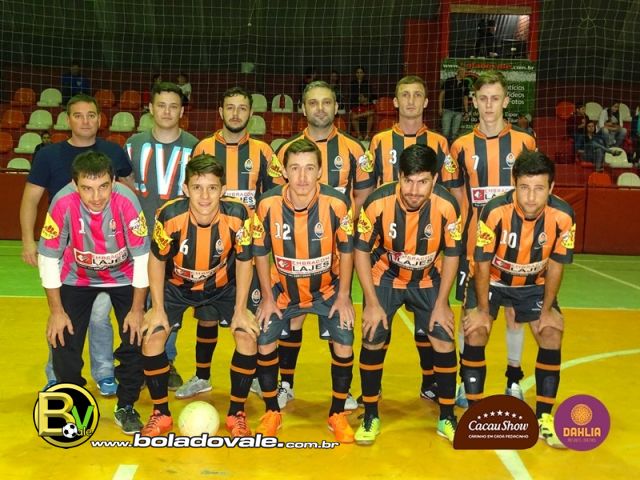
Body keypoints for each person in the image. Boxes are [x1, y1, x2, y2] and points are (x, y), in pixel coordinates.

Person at [267, 81, 374, 409]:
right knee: (294, 317)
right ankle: (286, 385)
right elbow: (277, 200)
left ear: (336, 107)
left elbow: (363, 198)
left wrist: (345, 233)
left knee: (338, 317)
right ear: (302, 108)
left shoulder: (355, 149)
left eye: (327, 102)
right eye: (313, 103)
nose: (320, 108)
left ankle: (344, 392)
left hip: (336, 251)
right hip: (294, 250)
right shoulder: (285, 150)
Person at [20, 93, 134, 395]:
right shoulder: (49, 155)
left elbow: (129, 193)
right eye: (78, 115)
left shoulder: (113, 151)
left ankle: (104, 372)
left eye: (91, 115)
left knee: (99, 315)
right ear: (67, 119)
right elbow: (30, 199)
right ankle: (58, 374)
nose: (85, 121)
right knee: (64, 315)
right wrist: (28, 241)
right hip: (64, 250)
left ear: (100, 118)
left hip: (107, 251)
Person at [462, 150, 575, 449]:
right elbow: (482, 263)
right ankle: (475, 412)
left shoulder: (564, 216)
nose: (531, 197)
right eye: (524, 187)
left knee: (551, 332)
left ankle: (544, 417)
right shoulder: (494, 211)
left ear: (551, 188)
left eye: (539, 188)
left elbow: (556, 265)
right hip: (492, 279)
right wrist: (482, 309)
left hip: (533, 283)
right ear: (514, 184)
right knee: (476, 329)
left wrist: (547, 309)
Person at [140, 154, 256, 437]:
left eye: (212, 188)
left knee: (247, 335)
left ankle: (237, 413)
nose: (205, 196)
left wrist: (241, 309)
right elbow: (156, 260)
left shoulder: (239, 215)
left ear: (223, 190)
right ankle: (161, 413)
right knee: (152, 336)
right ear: (185, 189)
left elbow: (245, 261)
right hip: (176, 286)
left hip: (222, 286)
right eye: (197, 187)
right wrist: (157, 308)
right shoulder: (169, 216)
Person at [353, 144, 462, 445]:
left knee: (443, 335)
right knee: (373, 334)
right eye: (408, 181)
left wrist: (443, 303)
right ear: (399, 176)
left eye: (423, 181)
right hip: (386, 275)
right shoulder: (377, 203)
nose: (414, 190)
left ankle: (447, 416)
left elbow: (453, 254)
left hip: (428, 278)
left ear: (435, 179)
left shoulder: (448, 206)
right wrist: (371, 303)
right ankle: (371, 414)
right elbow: (361, 251)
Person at [367, 75, 464, 403]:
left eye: (417, 95)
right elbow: (367, 192)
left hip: (428, 248)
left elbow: (453, 194)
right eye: (404, 95)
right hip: (387, 250)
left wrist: (451, 239)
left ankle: (431, 382)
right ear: (395, 102)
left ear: (426, 101)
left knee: (431, 324)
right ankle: (372, 389)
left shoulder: (440, 142)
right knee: (379, 325)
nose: (410, 101)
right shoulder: (379, 141)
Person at [37, 151, 149, 434]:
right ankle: (75, 403)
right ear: (74, 184)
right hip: (78, 278)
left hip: (124, 276)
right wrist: (56, 312)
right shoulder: (63, 202)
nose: (96, 197)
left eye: (103, 187)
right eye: (87, 188)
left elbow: (142, 258)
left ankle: (126, 405)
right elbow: (48, 257)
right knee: (62, 339)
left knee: (136, 336)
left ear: (113, 181)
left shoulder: (127, 200)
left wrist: (137, 310)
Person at [253, 138, 356, 442]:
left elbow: (347, 251)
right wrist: (267, 298)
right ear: (284, 171)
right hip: (283, 290)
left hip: (328, 289)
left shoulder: (337, 204)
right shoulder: (267, 204)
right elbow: (260, 252)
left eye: (309, 168)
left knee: (345, 339)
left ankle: (337, 413)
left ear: (320, 171)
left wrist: (344, 296)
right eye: (295, 168)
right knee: (264, 337)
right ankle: (272, 411)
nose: (302, 177)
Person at [450, 71, 536, 407]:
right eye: (482, 98)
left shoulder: (525, 142)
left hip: (516, 246)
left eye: (495, 98)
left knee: (515, 314)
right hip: (475, 248)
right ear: (473, 102)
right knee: (471, 316)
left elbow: (533, 194)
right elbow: (458, 198)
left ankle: (513, 379)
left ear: (506, 101)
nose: (488, 105)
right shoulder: (460, 146)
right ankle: (465, 381)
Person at [125, 81, 199, 391]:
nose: (167, 112)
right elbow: (124, 185)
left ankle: (165, 361)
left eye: (173, 106)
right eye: (161, 105)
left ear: (182, 111)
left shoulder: (196, 146)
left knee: (169, 303)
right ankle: (137, 361)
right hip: (139, 241)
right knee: (136, 303)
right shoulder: (133, 145)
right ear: (150, 109)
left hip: (179, 240)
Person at [193, 86, 274, 214]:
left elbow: (274, 196)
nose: (235, 114)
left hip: (251, 225)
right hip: (212, 224)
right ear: (221, 112)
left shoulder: (264, 150)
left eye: (242, 108)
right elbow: (192, 192)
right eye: (230, 108)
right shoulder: (202, 148)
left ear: (251, 113)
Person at [438, 66, 470, 144]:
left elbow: (465, 98)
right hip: (447, 109)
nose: (464, 74)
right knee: (445, 132)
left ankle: (453, 148)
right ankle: (444, 148)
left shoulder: (465, 83)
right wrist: (440, 107)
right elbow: (441, 94)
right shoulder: (449, 81)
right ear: (458, 72)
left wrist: (466, 111)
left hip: (459, 112)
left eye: (465, 72)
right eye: (463, 72)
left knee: (455, 134)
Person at [349, 66, 375, 140]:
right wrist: (351, 108)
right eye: (358, 72)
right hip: (356, 105)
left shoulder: (367, 83)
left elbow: (370, 95)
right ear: (355, 74)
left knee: (370, 115)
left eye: (361, 72)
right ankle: (359, 135)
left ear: (363, 74)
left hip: (365, 104)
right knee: (353, 116)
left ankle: (367, 135)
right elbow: (351, 96)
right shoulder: (352, 83)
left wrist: (365, 101)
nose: (359, 74)